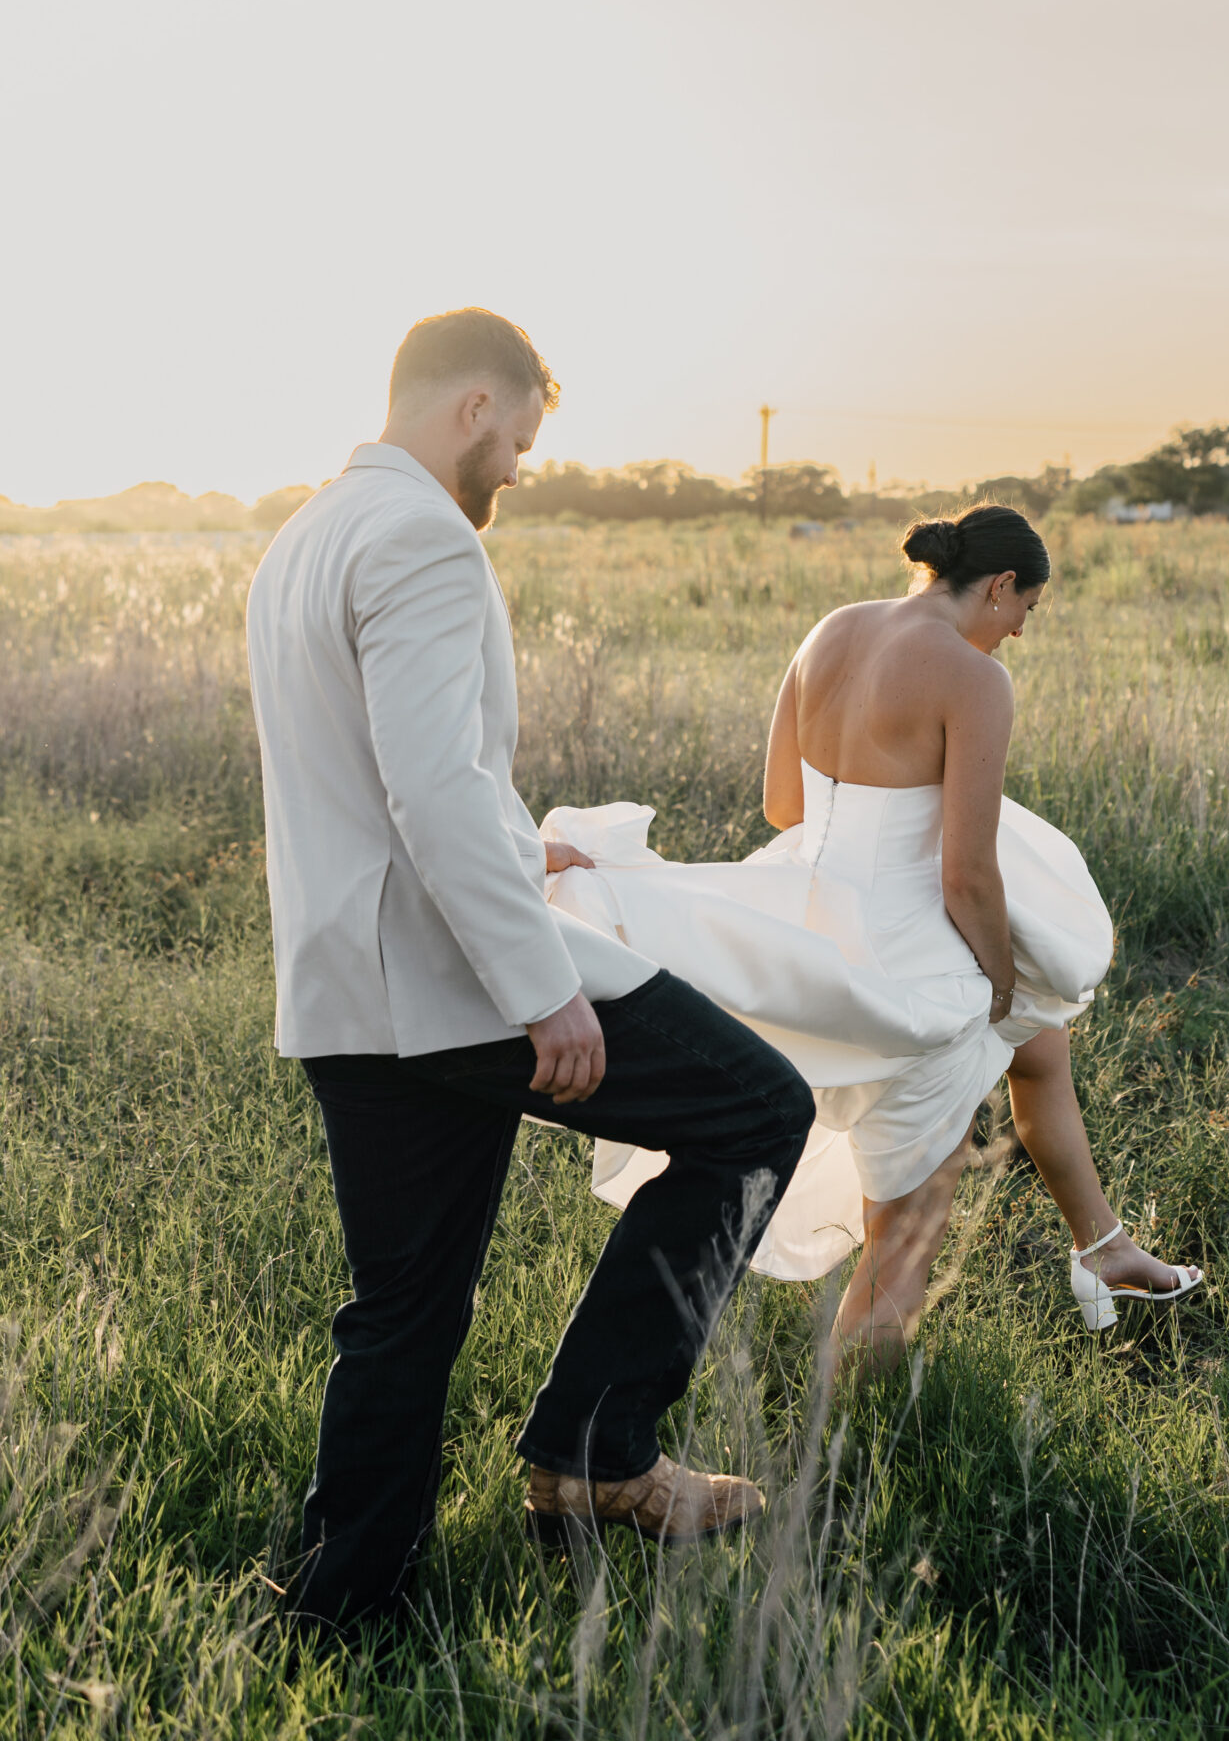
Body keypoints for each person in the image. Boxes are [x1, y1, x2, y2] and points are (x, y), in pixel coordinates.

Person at [245, 308, 813, 1638]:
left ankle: (344, 1605)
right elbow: (429, 782)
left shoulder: (306, 535)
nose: (521, 468)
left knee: (401, 1312)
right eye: (521, 439)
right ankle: (595, 1454)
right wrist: (536, 987)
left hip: (350, 983)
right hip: (451, 980)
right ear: (473, 408)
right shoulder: (424, 540)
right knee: (757, 1112)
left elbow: (379, 777)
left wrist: (524, 843)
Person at [544, 503, 1202, 1367]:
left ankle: (1102, 1247)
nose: (1017, 634)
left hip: (808, 907)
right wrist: (994, 978)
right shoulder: (972, 681)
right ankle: (863, 1436)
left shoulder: (831, 631)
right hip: (902, 945)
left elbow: (782, 805)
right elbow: (964, 874)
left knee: (1041, 1049)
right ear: (1000, 586)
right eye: (1025, 613)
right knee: (909, 1222)